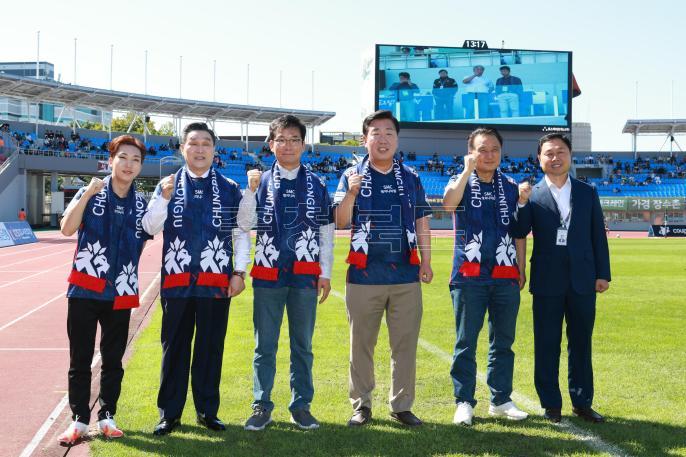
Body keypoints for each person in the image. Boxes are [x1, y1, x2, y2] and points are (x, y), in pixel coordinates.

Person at [142, 122, 252, 435]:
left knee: (210, 348)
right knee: (174, 347)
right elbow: (150, 227)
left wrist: (240, 272)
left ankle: (207, 411)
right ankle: (169, 414)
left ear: (214, 150)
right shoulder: (167, 184)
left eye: (206, 143)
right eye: (193, 143)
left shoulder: (230, 187)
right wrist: (163, 199)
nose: (200, 149)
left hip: (216, 282)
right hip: (176, 283)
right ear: (182, 149)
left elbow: (241, 232)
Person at [334, 110, 432, 427]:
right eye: (375, 132)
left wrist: (427, 261)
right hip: (363, 275)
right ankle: (361, 405)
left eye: (389, 132)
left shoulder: (411, 178)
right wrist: (351, 192)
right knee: (361, 345)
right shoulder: (351, 175)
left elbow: (422, 222)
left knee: (404, 344)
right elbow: (341, 221)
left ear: (397, 139)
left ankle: (401, 405)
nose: (383, 138)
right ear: (365, 140)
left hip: (405, 275)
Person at [240, 115, 334, 431]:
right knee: (264, 345)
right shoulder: (260, 181)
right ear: (271, 145)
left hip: (305, 275)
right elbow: (244, 224)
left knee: (302, 346)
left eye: (294, 139)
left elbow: (326, 232)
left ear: (303, 145)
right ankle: (261, 405)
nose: (288, 145)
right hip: (268, 274)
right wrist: (250, 192)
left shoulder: (318, 184)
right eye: (282, 139)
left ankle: (301, 405)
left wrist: (326, 272)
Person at [57, 135, 151, 444]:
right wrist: (86, 195)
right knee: (80, 359)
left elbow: (159, 225)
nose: (128, 164)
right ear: (111, 160)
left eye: (135, 160)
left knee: (113, 361)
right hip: (85, 289)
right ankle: (80, 421)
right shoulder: (90, 191)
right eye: (123, 157)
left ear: (140, 166)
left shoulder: (141, 203)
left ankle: (107, 416)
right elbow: (67, 228)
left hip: (121, 290)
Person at [513, 133, 611, 424]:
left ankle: (582, 402)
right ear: (539, 159)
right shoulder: (532, 194)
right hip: (547, 280)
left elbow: (597, 235)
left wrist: (603, 274)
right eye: (548, 153)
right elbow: (519, 230)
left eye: (560, 152)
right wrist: (520, 202)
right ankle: (550, 403)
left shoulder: (587, 192)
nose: (555, 158)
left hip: (583, 279)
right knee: (546, 343)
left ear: (570, 155)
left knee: (581, 343)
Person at [442, 128, 528, 426]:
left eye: (494, 149)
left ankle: (501, 400)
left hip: (505, 275)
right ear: (471, 152)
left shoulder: (511, 186)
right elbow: (448, 205)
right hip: (468, 275)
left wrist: (521, 266)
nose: (488, 154)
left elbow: (518, 231)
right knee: (466, 341)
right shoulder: (462, 180)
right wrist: (466, 171)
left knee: (503, 342)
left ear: (501, 152)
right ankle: (464, 401)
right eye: (482, 149)